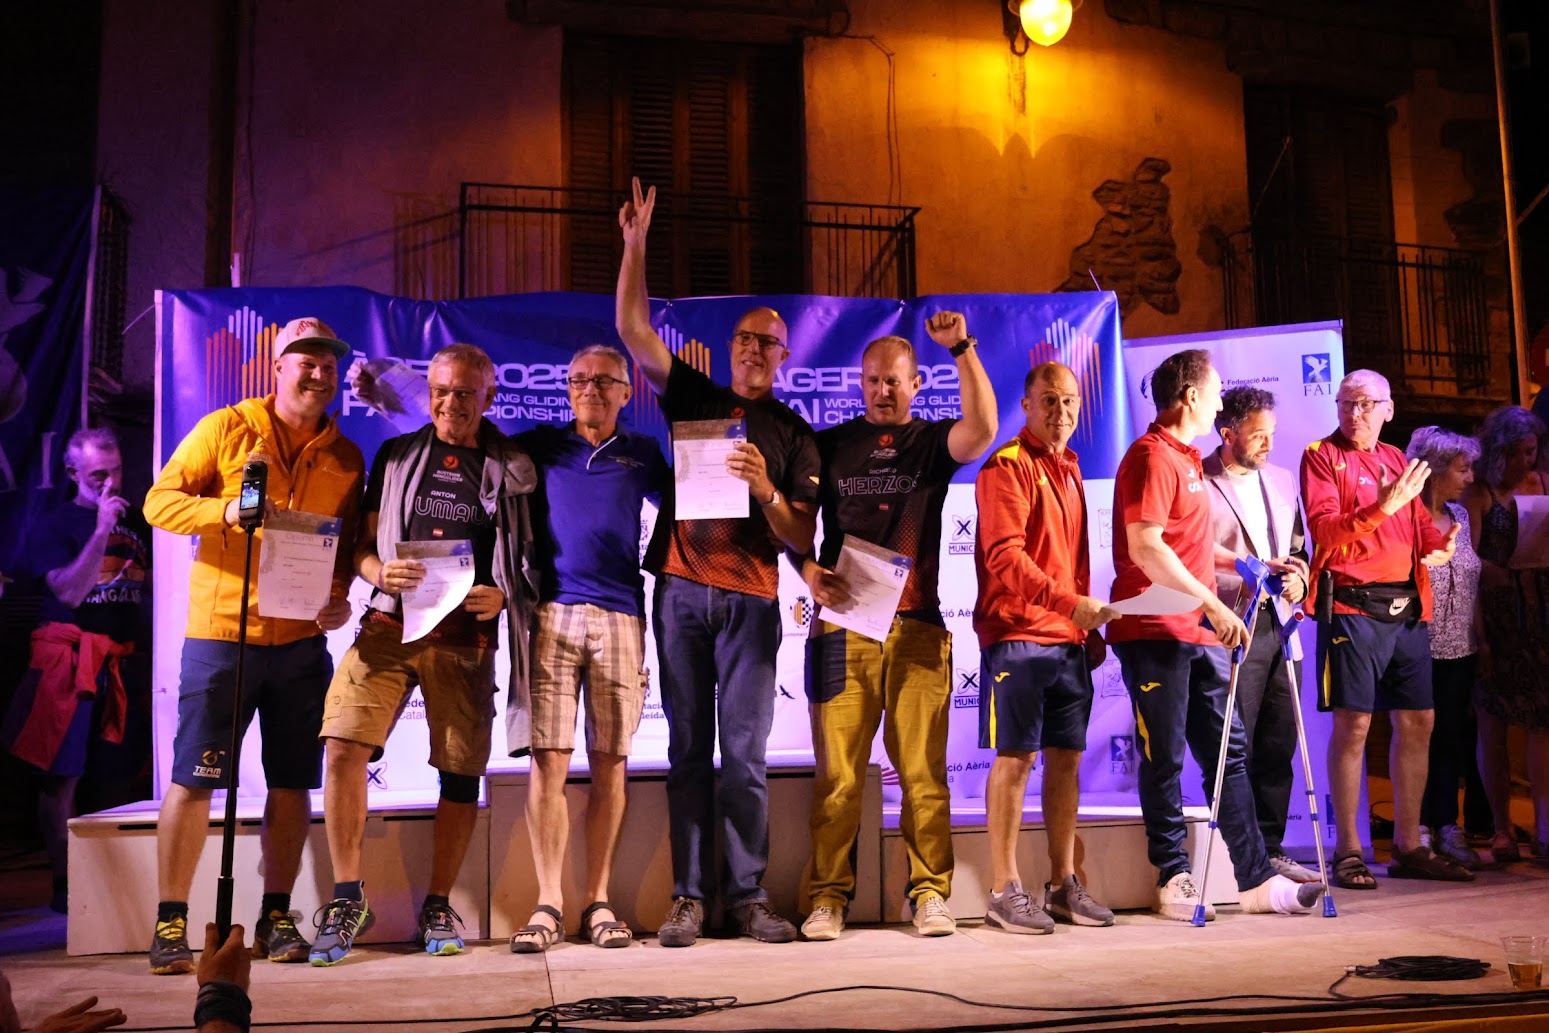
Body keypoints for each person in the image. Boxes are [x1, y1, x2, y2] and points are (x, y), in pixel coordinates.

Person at [617, 177, 820, 946]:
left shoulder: (794, 433)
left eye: (767, 342)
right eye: (743, 339)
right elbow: (633, 329)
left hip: (751, 602)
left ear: (783, 355)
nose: (753, 350)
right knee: (685, 752)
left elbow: (801, 533)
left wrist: (766, 489)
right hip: (680, 591)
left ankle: (748, 897)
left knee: (743, 756)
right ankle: (688, 898)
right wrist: (635, 245)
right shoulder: (695, 395)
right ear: (730, 348)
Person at [141, 317, 363, 974]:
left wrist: (340, 594)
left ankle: (276, 916)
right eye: (305, 361)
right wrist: (225, 512)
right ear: (277, 366)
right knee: (194, 779)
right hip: (222, 636)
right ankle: (171, 923)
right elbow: (159, 502)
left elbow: (344, 545)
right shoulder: (226, 428)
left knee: (291, 783)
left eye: (328, 363)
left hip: (300, 644)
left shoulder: (346, 456)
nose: (318, 373)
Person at [312, 343, 537, 965]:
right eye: (440, 391)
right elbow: (359, 548)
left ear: (489, 397)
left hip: (466, 638)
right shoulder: (396, 455)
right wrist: (378, 572)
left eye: (464, 393)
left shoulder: (514, 468)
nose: (450, 403)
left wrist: (504, 594)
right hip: (389, 627)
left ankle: (438, 904)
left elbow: (532, 557)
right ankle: (347, 897)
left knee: (460, 772)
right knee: (342, 745)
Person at [797, 317, 997, 941]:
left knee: (923, 777)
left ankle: (930, 893)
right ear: (859, 383)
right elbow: (795, 527)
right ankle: (827, 898)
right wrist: (804, 568)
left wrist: (962, 349)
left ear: (916, 385)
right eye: (873, 380)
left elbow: (984, 429)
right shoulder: (828, 445)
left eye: (894, 381)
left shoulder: (930, 442)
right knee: (838, 779)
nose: (883, 390)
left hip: (918, 629)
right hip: (842, 631)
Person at [1109, 348, 1322, 921]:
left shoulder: (1186, 458)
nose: (1222, 399)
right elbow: (1147, 547)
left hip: (1198, 631)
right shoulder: (1151, 455)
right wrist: (1212, 603)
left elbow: (1194, 547)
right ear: (1191, 397)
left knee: (1229, 755)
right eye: (1217, 390)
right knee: (1164, 757)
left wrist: (1250, 565)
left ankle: (1255, 881)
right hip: (1155, 628)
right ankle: (1173, 875)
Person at [508, 345, 669, 952]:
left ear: (627, 392)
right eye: (578, 380)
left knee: (611, 763)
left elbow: (694, 506)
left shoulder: (643, 453)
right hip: (551, 612)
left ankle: (598, 901)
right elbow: (473, 453)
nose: (590, 390)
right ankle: (548, 903)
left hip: (623, 615)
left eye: (603, 381)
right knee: (548, 761)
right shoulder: (541, 446)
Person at [1301, 369, 1466, 889]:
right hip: (1353, 609)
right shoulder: (1321, 456)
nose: (1355, 413)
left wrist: (1438, 546)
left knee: (1419, 720)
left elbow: (1417, 527)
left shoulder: (1397, 458)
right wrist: (1381, 506)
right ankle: (1349, 849)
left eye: (1366, 404)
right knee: (1354, 725)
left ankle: (1409, 845)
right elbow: (1325, 531)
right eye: (1346, 403)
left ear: (1388, 410)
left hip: (1407, 608)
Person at [971, 362, 1118, 936]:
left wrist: (1086, 627)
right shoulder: (1007, 465)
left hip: (1067, 639)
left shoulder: (1072, 467)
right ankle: (1003, 890)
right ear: (1027, 405)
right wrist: (1068, 604)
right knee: (1016, 758)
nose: (1061, 411)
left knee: (1067, 761)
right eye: (1049, 400)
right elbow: (1004, 557)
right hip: (1018, 636)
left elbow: (1069, 563)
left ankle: (1061, 883)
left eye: (1070, 401)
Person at [1, 429, 149, 913]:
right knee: (61, 777)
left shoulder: (136, 522)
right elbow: (68, 591)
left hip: (117, 660)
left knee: (115, 777)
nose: (110, 483)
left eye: (116, 471)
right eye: (98, 475)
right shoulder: (56, 523)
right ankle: (65, 883)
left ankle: (108, 881)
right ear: (72, 474)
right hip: (68, 661)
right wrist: (101, 529)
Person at [1201, 388, 1319, 884]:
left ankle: (1271, 848)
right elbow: (1191, 555)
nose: (1269, 444)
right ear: (1228, 434)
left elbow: (1299, 549)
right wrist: (1246, 573)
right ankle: (1240, 856)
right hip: (1233, 623)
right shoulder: (1199, 480)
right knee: (1236, 744)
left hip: (1282, 623)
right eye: (1257, 435)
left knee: (1278, 741)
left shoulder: (1283, 478)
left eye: (1272, 433)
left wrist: (1301, 579)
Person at [1464, 405, 1549, 862]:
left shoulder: (1542, 484)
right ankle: (1501, 829)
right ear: (1500, 453)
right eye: (1520, 453)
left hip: (1541, 611)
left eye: (1533, 451)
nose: (1528, 462)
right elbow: (1466, 555)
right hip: (1496, 616)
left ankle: (1544, 826)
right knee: (1492, 723)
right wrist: (1490, 570)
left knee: (1543, 721)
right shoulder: (1480, 492)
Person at [1406, 426, 1486, 869]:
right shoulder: (1406, 515)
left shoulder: (1459, 515)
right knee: (1418, 737)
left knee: (1451, 738)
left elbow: (1471, 579)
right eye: (1463, 469)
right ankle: (1416, 827)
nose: (1470, 477)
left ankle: (1446, 824)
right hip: (1418, 644)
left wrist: (1482, 639)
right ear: (1435, 470)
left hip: (1461, 647)